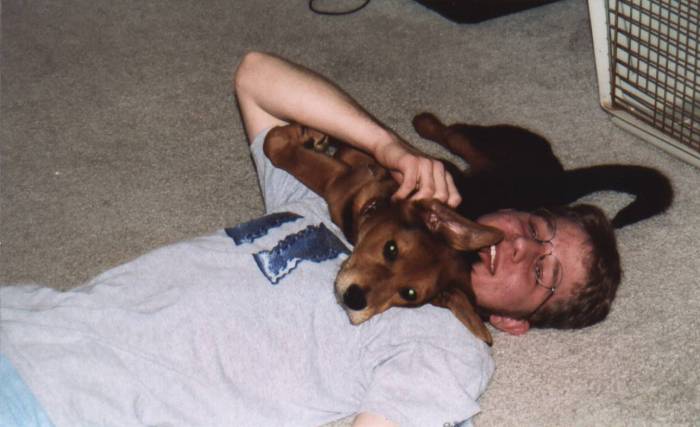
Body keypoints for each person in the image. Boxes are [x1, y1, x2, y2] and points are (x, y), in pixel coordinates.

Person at [0, 51, 621, 427]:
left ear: (514, 323)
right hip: (27, 322)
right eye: (538, 231)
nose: (523, 249)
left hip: (64, 407)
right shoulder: (349, 207)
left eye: (543, 273)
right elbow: (256, 76)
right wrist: (387, 148)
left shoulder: (447, 345)